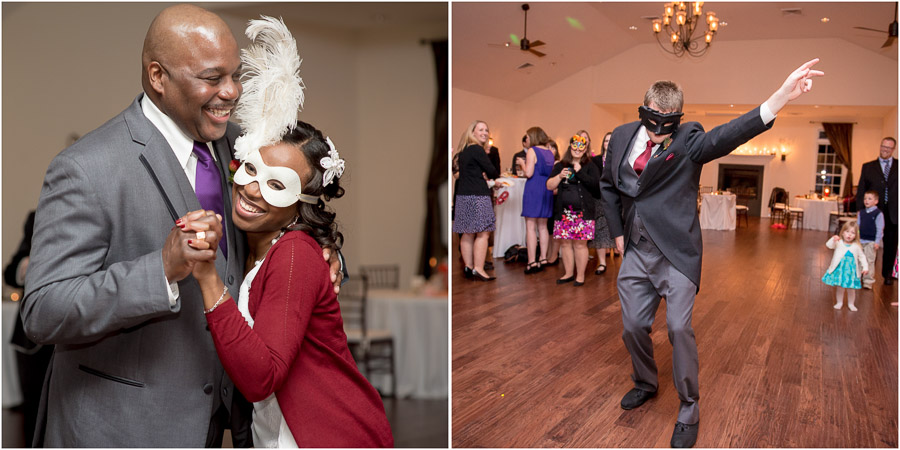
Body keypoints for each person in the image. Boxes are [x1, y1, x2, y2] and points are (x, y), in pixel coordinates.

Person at [20, 5, 341, 447]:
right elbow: (42, 310)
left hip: (219, 426)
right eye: (212, 78)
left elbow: (298, 201)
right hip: (122, 428)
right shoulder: (87, 168)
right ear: (158, 77)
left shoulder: (241, 143)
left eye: (235, 74)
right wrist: (160, 270)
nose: (231, 92)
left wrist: (326, 252)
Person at [600, 59, 824, 448]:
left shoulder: (688, 139)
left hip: (677, 251)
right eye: (652, 123)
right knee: (634, 326)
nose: (656, 134)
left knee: (677, 328)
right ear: (643, 110)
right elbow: (607, 186)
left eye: (665, 126)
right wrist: (616, 233)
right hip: (636, 249)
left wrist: (781, 96)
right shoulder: (620, 136)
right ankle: (645, 382)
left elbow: (729, 134)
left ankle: (689, 405)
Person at [546, 135, 601, 286]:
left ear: (585, 149)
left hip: (583, 213)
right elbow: (549, 186)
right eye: (574, 147)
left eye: (580, 148)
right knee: (565, 244)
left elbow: (597, 187)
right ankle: (568, 273)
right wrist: (559, 176)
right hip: (563, 213)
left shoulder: (590, 165)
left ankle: (580, 276)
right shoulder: (561, 165)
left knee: (580, 245)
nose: (577, 150)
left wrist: (580, 172)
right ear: (570, 147)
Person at [453, 120, 499, 281]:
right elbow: (493, 171)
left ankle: (469, 266)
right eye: (481, 130)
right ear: (472, 132)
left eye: (487, 130)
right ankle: (479, 268)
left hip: (463, 195)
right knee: (483, 233)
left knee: (467, 232)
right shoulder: (477, 150)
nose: (485, 133)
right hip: (478, 196)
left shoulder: (463, 151)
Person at [856, 137, 898, 285]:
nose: (885, 150)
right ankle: (864, 273)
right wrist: (860, 211)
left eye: (888, 148)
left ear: (893, 149)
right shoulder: (868, 167)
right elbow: (861, 190)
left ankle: (887, 274)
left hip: (893, 212)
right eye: (883, 147)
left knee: (891, 245)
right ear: (880, 146)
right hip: (872, 212)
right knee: (868, 245)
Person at [520, 126, 555, 274]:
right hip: (546, 188)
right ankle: (543, 258)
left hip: (534, 187)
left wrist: (521, 164)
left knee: (530, 226)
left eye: (527, 136)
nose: (526, 139)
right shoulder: (550, 152)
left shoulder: (532, 151)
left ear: (533, 136)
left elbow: (529, 173)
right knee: (543, 226)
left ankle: (532, 261)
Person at [823, 220, 868, 311]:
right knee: (840, 288)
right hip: (840, 270)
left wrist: (865, 267)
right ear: (842, 232)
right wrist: (833, 239)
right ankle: (839, 302)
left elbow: (862, 257)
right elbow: (829, 245)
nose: (849, 235)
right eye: (847, 232)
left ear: (856, 235)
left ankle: (851, 304)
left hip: (851, 271)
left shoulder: (857, 246)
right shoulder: (839, 243)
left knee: (851, 289)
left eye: (852, 233)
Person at [588, 130, 616, 273]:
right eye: (606, 140)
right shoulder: (595, 160)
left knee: (617, 229)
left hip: (615, 200)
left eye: (611, 140)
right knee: (600, 230)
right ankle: (602, 263)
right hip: (598, 199)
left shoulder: (619, 159)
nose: (608, 143)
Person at [857, 190, 885, 289]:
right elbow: (858, 227)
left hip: (871, 241)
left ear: (876, 201)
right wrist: (856, 238)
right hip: (861, 240)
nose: (866, 201)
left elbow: (879, 228)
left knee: (869, 260)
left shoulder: (878, 214)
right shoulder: (861, 213)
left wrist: (877, 242)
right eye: (865, 198)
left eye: (869, 199)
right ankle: (858, 278)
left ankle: (868, 281)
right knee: (859, 260)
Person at [544, 140, 562, 266]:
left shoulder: (559, 164)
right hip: (546, 198)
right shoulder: (543, 164)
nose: (550, 150)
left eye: (552, 148)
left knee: (555, 229)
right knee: (548, 228)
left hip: (556, 199)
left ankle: (554, 255)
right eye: (547, 148)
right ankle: (549, 253)